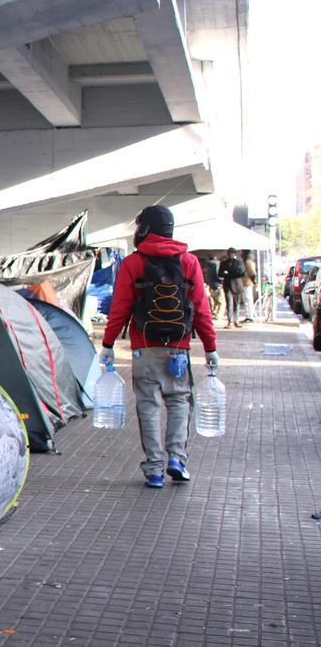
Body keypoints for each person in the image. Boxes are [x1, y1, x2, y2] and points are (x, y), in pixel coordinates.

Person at [100, 206, 219, 489]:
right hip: (179, 348)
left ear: (145, 228)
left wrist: (108, 343)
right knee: (179, 402)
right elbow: (201, 309)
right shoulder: (189, 262)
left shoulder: (133, 263)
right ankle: (177, 459)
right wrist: (210, 348)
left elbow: (120, 308)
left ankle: (154, 469)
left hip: (144, 348)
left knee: (148, 406)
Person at [218, 247, 245, 328]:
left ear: (235, 254)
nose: (231, 255)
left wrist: (228, 272)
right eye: (229, 253)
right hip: (228, 285)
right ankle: (230, 321)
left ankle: (236, 320)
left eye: (232, 253)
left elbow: (241, 272)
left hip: (237, 285)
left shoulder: (239, 262)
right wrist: (229, 273)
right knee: (229, 304)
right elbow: (220, 274)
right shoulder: (223, 263)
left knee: (237, 304)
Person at [202, 254, 223, 320]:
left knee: (213, 301)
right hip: (218, 285)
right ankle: (218, 315)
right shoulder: (217, 265)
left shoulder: (208, 267)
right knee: (220, 301)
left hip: (210, 285)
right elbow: (219, 276)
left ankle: (214, 313)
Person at [241, 251, 257, 323]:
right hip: (247, 282)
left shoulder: (248, 261)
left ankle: (249, 316)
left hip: (247, 282)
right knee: (247, 300)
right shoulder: (249, 261)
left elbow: (252, 272)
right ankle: (249, 315)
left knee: (247, 300)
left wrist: (254, 281)